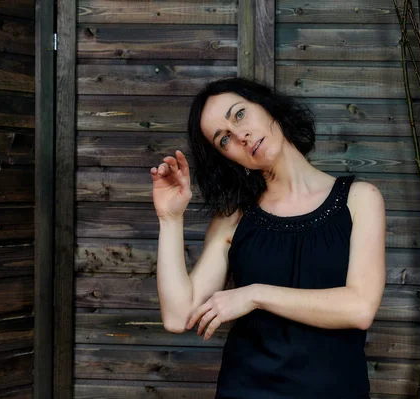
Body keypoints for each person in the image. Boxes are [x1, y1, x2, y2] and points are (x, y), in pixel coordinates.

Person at [151, 77, 386, 399]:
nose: (240, 135)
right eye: (223, 140)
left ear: (266, 106)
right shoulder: (234, 217)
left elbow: (359, 309)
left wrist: (255, 294)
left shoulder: (359, 199)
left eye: (239, 115)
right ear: (227, 158)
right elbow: (179, 316)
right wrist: (170, 218)